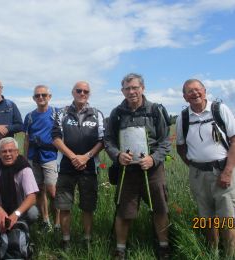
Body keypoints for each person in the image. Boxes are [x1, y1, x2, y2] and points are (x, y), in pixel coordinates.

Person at [104, 73, 171, 260]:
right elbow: (108, 140)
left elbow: (165, 141)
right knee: (124, 211)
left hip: (153, 169)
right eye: (127, 88)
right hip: (127, 170)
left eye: (135, 87)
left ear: (142, 88)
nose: (131, 91)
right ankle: (120, 250)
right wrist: (117, 155)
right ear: (122, 91)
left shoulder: (155, 110)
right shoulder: (117, 113)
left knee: (160, 208)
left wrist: (154, 158)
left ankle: (164, 247)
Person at [176, 79, 235, 257]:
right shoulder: (183, 117)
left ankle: (230, 255)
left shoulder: (219, 110)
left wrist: (227, 171)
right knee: (206, 218)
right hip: (198, 175)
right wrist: (194, 166)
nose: (194, 94)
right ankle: (213, 253)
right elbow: (180, 146)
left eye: (197, 90)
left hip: (223, 172)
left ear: (205, 91)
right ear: (185, 97)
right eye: (189, 91)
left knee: (227, 218)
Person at [52, 81, 104, 250]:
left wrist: (86, 157)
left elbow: (102, 140)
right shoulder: (62, 113)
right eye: (79, 90)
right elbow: (56, 138)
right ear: (72, 92)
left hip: (89, 169)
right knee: (65, 207)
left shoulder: (97, 114)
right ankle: (66, 240)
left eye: (86, 91)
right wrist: (74, 157)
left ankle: (87, 240)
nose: (82, 93)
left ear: (89, 94)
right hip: (66, 167)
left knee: (87, 207)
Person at [0, 137, 39, 256]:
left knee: (33, 212)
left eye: (11, 151)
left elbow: (32, 197)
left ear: (17, 152)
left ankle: (22, 238)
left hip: (18, 210)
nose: (8, 154)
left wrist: (16, 214)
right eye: (4, 151)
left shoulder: (25, 168)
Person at [24, 85, 60, 232]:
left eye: (44, 95)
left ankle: (58, 223)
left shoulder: (56, 113)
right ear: (34, 98)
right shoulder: (30, 116)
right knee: (39, 190)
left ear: (49, 97)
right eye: (38, 95)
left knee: (53, 191)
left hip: (51, 156)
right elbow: (26, 139)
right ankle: (45, 221)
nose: (41, 98)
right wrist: (25, 159)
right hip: (34, 156)